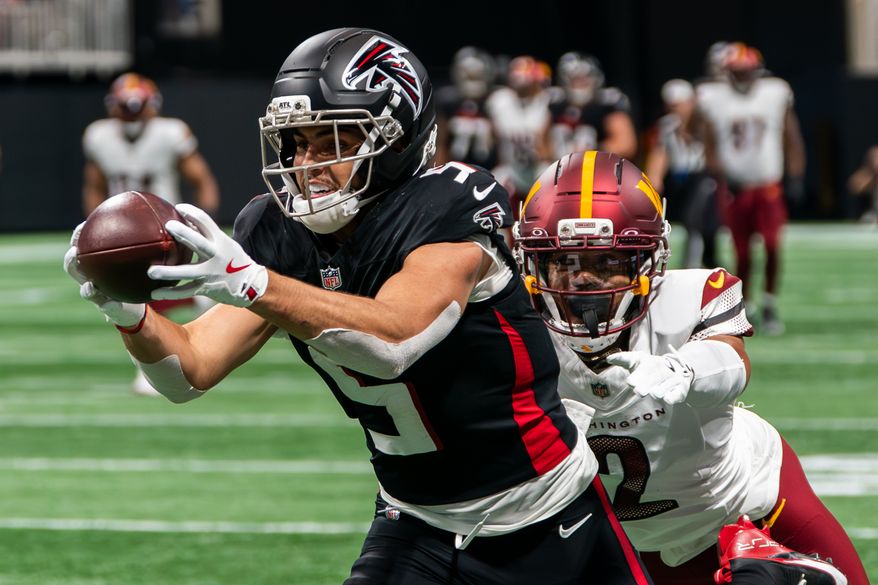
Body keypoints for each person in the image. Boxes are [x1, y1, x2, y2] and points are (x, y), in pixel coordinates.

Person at [65, 29, 653, 585]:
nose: (307, 164)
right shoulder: (279, 231)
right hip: (412, 520)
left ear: (394, 138)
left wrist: (251, 281)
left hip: (543, 515)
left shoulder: (448, 206)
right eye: (297, 143)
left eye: (334, 141)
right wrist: (131, 315)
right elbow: (186, 371)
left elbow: (393, 341)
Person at [513, 150, 869, 585]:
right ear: (530, 261)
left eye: (606, 263)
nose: (583, 282)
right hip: (622, 541)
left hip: (745, 500)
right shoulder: (512, 327)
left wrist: (685, 369)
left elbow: (731, 360)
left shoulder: (690, 297)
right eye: (564, 263)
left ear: (649, 261)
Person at [82, 72, 221, 395]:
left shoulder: (170, 133)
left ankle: (156, 368)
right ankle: (199, 308)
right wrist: (94, 226)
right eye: (125, 107)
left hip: (164, 227)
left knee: (141, 297)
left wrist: (206, 223)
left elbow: (202, 179)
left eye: (137, 106)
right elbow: (94, 185)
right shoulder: (99, 136)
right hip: (118, 231)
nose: (131, 113)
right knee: (131, 296)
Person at [695, 43, 806, 335]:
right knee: (741, 252)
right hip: (734, 187)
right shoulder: (712, 98)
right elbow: (706, 140)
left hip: (767, 184)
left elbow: (790, 133)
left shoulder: (774, 93)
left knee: (771, 245)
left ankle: (769, 300)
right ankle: (747, 304)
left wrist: (795, 174)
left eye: (747, 73)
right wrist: (717, 172)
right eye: (737, 73)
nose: (743, 79)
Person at [645, 79, 720, 269]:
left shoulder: (704, 122)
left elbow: (715, 151)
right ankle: (705, 261)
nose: (676, 110)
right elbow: (660, 152)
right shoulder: (667, 125)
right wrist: (654, 177)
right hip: (680, 179)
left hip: (703, 176)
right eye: (671, 106)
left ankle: (695, 263)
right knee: (689, 223)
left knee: (696, 221)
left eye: (679, 105)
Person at [485, 55, 555, 220]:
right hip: (511, 169)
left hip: (540, 167)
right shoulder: (500, 102)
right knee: (491, 188)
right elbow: (493, 138)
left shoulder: (547, 102)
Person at [548, 52, 637, 162]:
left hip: (599, 169)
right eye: (575, 79)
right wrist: (557, 152)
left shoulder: (607, 103)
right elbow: (539, 144)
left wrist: (588, 152)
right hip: (557, 170)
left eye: (584, 78)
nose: (580, 83)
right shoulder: (554, 102)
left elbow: (626, 145)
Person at [435, 46, 498, 169]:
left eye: (476, 76)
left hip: (488, 167)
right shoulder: (448, 102)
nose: (472, 82)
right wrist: (438, 168)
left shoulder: (494, 101)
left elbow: (501, 140)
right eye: (469, 76)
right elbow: (441, 140)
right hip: (455, 167)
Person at [846, 144, 878, 225]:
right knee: (867, 220)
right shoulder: (870, 176)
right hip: (874, 215)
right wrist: (869, 173)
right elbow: (854, 187)